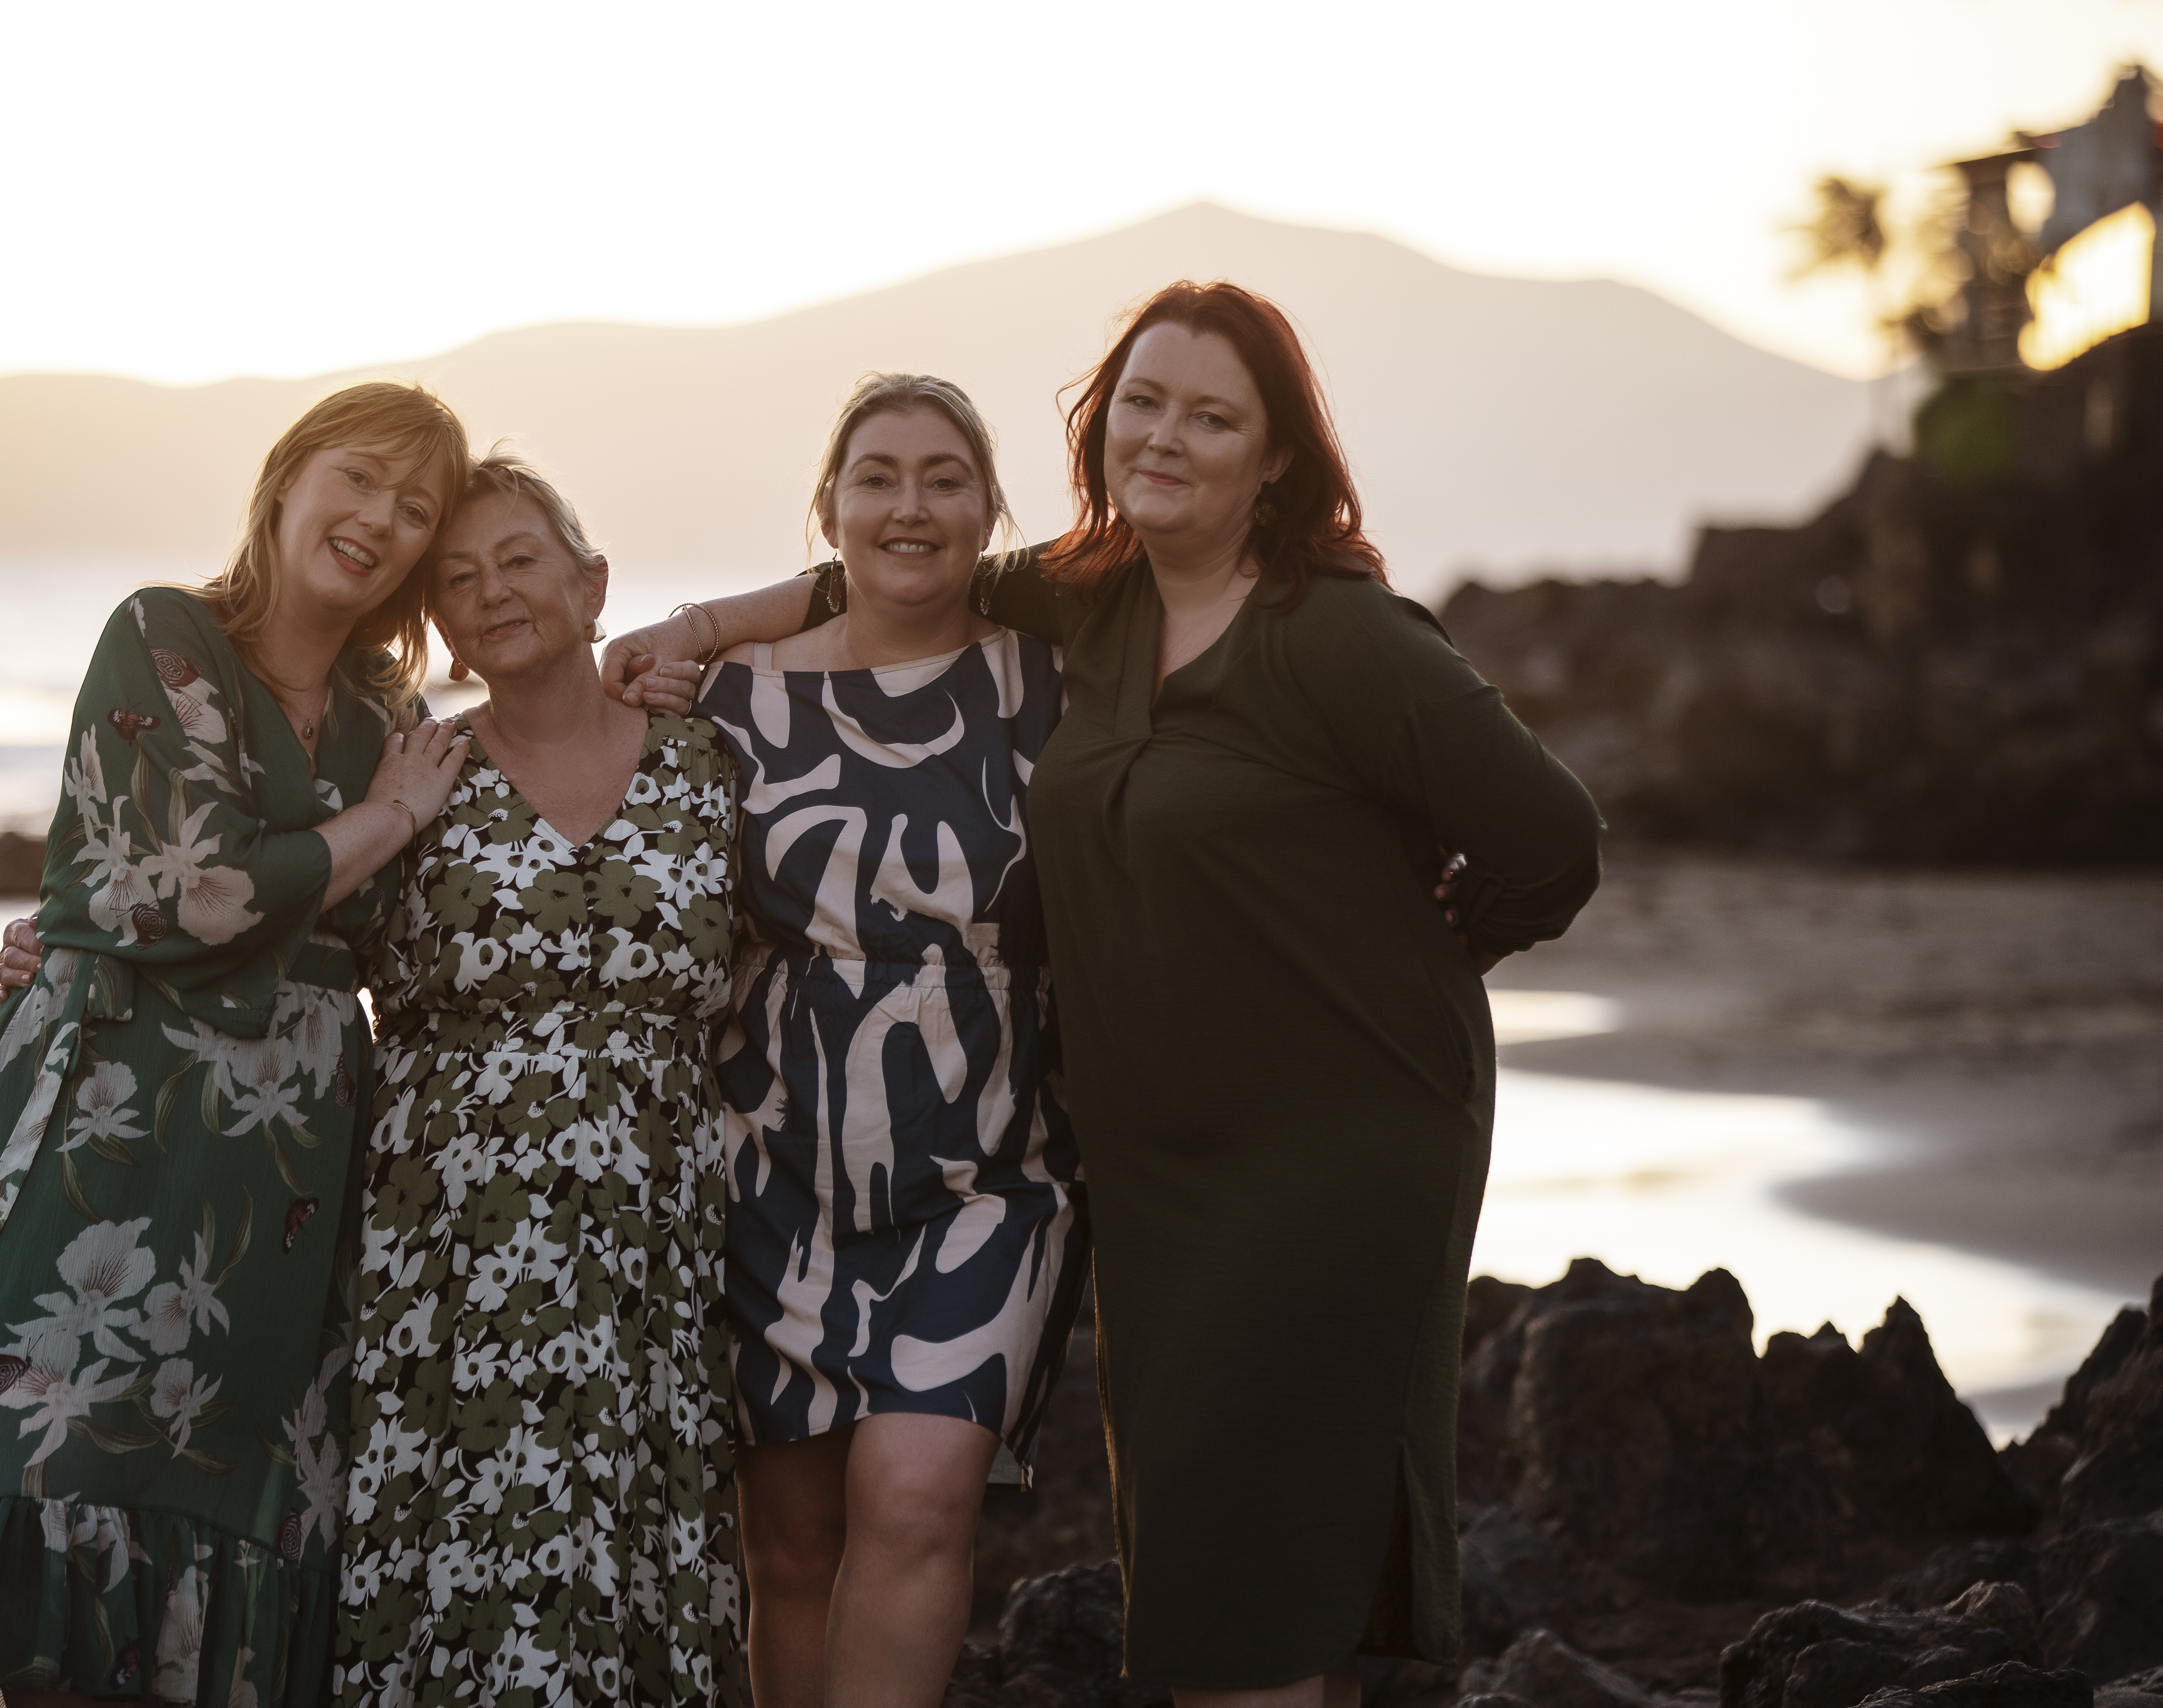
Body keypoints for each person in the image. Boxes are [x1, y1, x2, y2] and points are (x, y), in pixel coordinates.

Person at [606, 287, 1604, 1706]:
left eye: (1213, 417)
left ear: (1276, 459)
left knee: (1262, 1556)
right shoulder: (1094, 598)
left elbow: (1553, 842)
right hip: (1155, 1160)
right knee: (1199, 1538)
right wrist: (696, 627)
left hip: (1337, 1142)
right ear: (1100, 424)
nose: (1168, 437)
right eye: (1145, 403)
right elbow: (871, 581)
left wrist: (1438, 944)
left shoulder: (1340, 636)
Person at [0, 382, 474, 1708]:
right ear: (290, 476)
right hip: (101, 1133)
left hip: (277, 1183)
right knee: (39, 1463)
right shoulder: (166, 634)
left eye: (416, 509)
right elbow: (197, 897)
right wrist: (384, 827)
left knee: (244, 1512)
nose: (379, 520)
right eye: (359, 478)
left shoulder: (384, 725)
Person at [685, 374, 1086, 1708]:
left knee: (919, 1502)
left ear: (990, 511)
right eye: (878, 476)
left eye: (943, 477)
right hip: (769, 1167)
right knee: (791, 1545)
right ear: (830, 510)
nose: (910, 505)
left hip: (989, 1177)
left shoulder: (1054, 680)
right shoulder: (724, 700)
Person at [326, 453, 746, 1706]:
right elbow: (281, 924)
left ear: (593, 583)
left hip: (650, 1249)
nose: (491, 593)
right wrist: (55, 953)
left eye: (519, 561)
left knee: (628, 1547)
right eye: (457, 579)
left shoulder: (708, 763)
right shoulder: (416, 777)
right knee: (467, 1548)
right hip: (452, 1255)